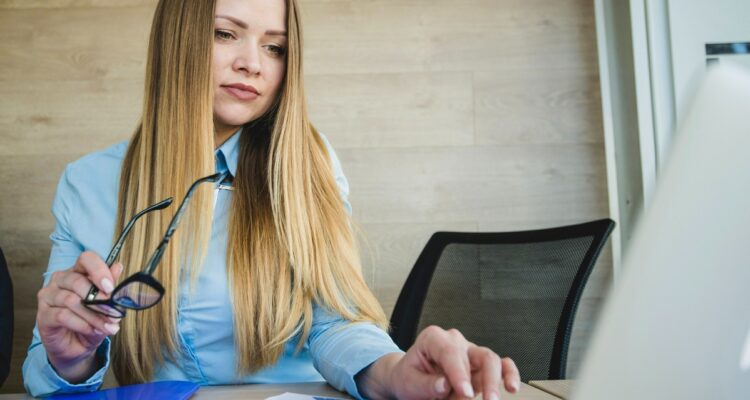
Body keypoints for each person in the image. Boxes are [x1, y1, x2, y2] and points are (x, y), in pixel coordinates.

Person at [22, 0, 521, 399]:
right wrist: (70, 360)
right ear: (177, 41)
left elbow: (335, 324)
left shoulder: (309, 164)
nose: (252, 64)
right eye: (225, 33)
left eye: (275, 47)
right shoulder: (86, 184)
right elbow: (46, 378)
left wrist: (393, 372)